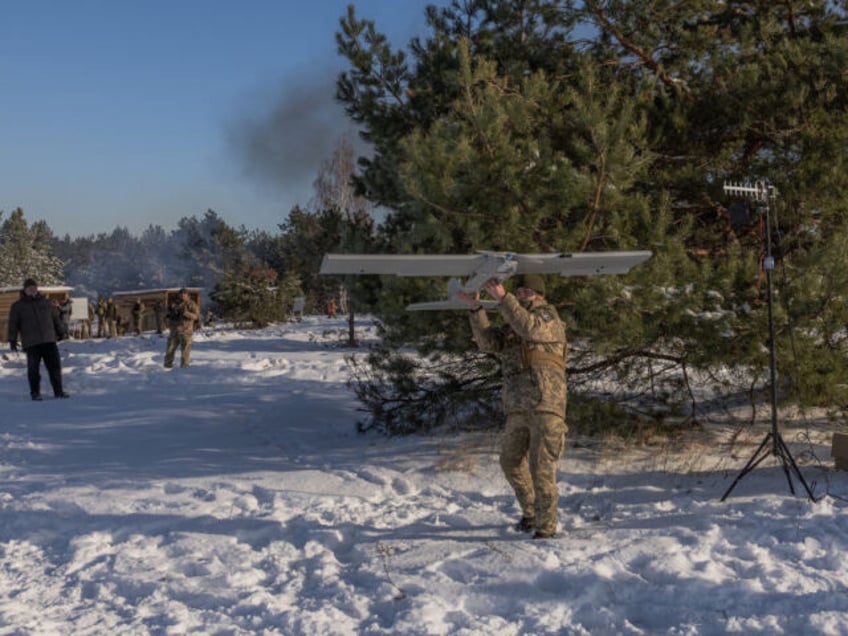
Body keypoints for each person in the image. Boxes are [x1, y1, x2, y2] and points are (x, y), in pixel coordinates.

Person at [458, 274, 567, 539]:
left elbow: (530, 328)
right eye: (518, 292)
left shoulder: (548, 318)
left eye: (527, 292)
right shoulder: (514, 323)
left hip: (545, 404)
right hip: (518, 407)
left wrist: (503, 298)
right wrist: (476, 308)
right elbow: (488, 343)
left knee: (541, 469)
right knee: (510, 462)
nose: (521, 296)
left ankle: (546, 528)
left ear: (540, 295)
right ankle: (531, 514)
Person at [6, 278, 70, 401]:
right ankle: (35, 393)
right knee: (33, 370)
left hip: (49, 340)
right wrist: (12, 340)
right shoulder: (18, 306)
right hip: (31, 343)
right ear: (24, 290)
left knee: (54, 367)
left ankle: (58, 391)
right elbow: (13, 324)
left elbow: (55, 318)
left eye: (34, 289)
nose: (32, 291)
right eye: (29, 289)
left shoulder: (46, 303)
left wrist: (61, 331)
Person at [164, 288, 199, 368]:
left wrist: (185, 313)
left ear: (187, 295)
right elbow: (167, 315)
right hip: (174, 331)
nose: (182, 295)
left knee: (185, 352)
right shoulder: (174, 304)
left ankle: (184, 368)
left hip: (186, 332)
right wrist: (169, 318)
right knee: (170, 350)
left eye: (184, 294)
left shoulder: (191, 304)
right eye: (181, 294)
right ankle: (167, 367)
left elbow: (196, 316)